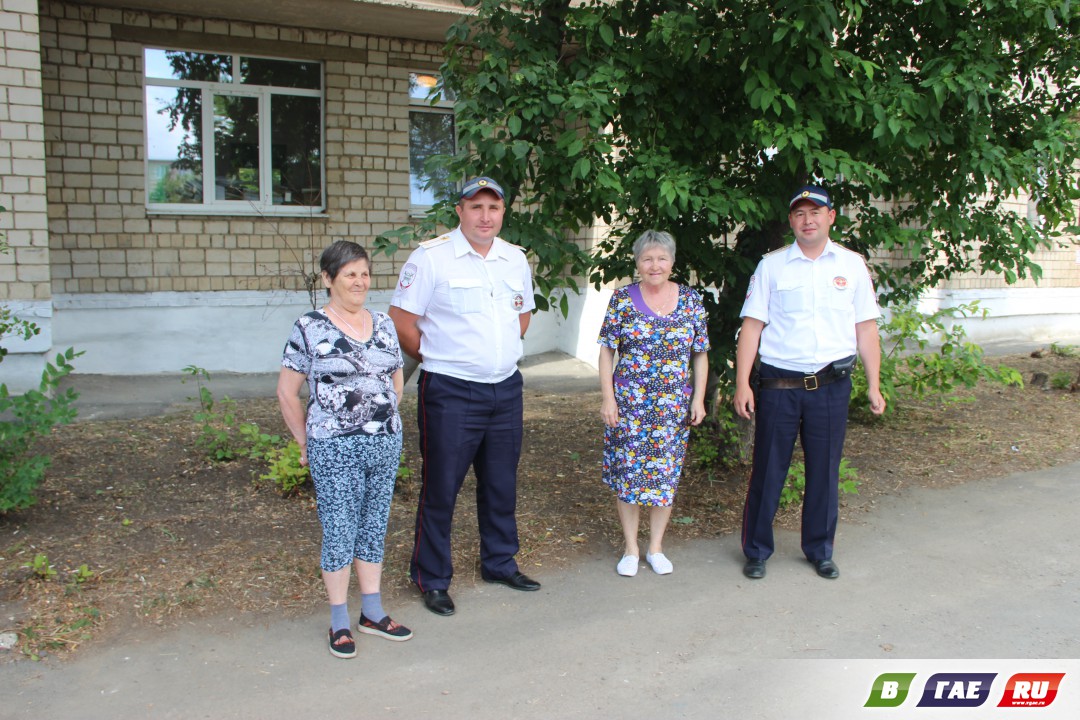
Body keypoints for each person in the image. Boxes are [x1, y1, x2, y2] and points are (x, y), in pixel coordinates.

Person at [388, 176, 540, 617]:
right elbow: (402, 319)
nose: (485, 216)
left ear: (503, 212)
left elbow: (522, 316)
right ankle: (432, 577)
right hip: (451, 391)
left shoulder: (514, 259)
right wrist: (437, 355)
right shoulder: (432, 257)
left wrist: (498, 354)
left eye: (493, 207)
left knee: (500, 484)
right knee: (442, 488)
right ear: (460, 211)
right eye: (476, 207)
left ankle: (499, 562)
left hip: (505, 388)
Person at [733, 185, 887, 581]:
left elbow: (866, 329)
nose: (808, 220)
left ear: (831, 217)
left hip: (832, 385)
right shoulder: (772, 266)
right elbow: (751, 328)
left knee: (825, 471)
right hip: (779, 386)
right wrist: (742, 384)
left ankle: (820, 550)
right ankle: (757, 551)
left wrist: (874, 384)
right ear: (791, 221)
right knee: (768, 470)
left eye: (815, 212)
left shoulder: (852, 266)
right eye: (799, 213)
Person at [277, 240, 412, 659]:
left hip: (384, 441)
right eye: (350, 273)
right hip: (333, 447)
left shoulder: (384, 323)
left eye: (364, 273)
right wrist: (305, 441)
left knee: (374, 525)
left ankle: (371, 612)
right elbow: (286, 392)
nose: (359, 281)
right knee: (339, 530)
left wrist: (383, 419)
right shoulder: (309, 327)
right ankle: (339, 620)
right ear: (328, 279)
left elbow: (396, 379)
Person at [598, 230, 710, 577]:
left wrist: (699, 399)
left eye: (661, 258)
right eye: (647, 258)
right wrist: (607, 398)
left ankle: (656, 547)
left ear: (672, 262)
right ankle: (631, 549)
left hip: (672, 407)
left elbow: (701, 354)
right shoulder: (621, 299)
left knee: (665, 477)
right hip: (630, 404)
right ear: (637, 263)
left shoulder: (691, 301)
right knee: (629, 476)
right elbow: (606, 350)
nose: (654, 265)